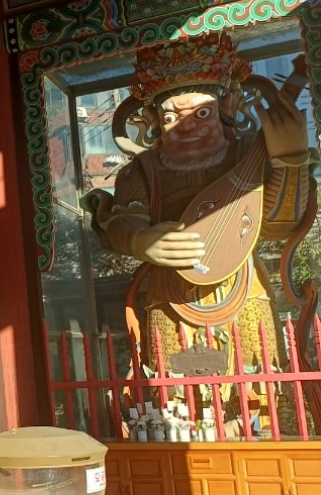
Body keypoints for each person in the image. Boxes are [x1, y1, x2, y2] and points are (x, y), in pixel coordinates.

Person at [85, 32, 315, 379]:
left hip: (245, 291)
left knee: (260, 387)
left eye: (201, 112)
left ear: (226, 109)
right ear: (153, 123)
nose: (187, 125)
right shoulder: (142, 170)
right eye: (171, 117)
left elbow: (278, 226)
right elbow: (122, 222)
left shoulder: (247, 154)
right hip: (170, 298)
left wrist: (290, 159)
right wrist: (140, 241)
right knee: (180, 393)